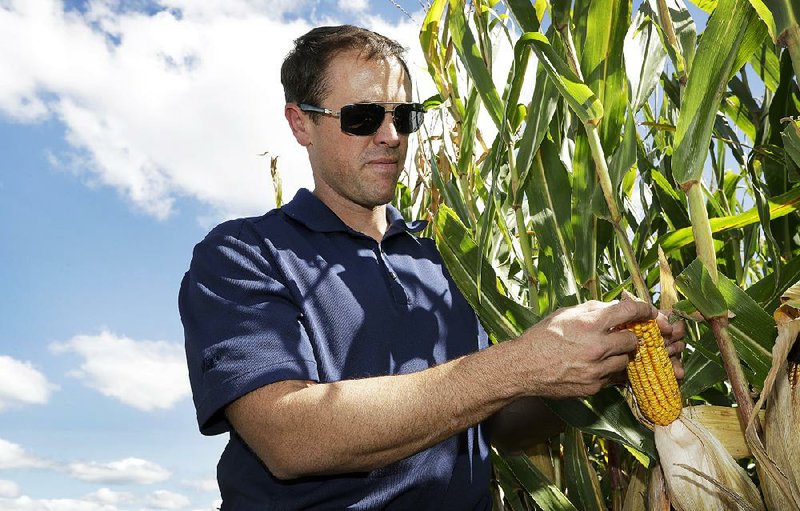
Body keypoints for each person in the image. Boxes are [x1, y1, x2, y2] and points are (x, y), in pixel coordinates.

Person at [179, 25, 686, 510]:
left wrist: (599, 366)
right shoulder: (243, 254)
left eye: (404, 117)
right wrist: (520, 364)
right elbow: (288, 438)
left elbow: (498, 426)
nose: (390, 136)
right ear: (300, 123)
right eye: (362, 117)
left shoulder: (446, 259)